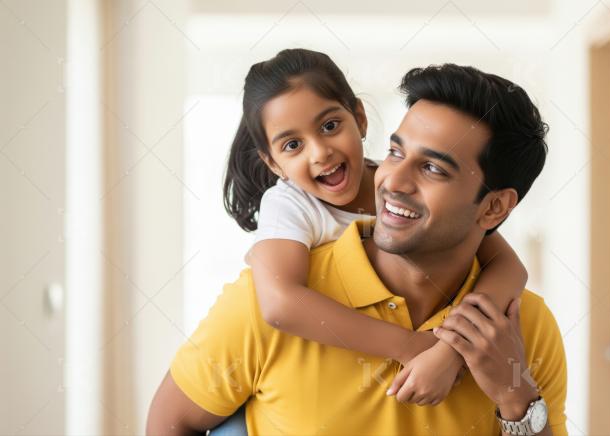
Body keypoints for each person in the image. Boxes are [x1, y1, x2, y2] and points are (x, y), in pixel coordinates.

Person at [148, 62, 567, 435]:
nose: (392, 181)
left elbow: (509, 266)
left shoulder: (524, 330)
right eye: (395, 152)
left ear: (493, 207)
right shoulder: (265, 301)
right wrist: (414, 346)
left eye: (433, 168)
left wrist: (516, 400)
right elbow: (170, 424)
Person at [221, 48, 528, 403]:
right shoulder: (288, 204)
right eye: (293, 145)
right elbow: (280, 304)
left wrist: (450, 350)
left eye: (330, 126)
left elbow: (508, 267)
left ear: (360, 119)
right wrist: (412, 346)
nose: (320, 152)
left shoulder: (397, 184)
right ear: (273, 164)